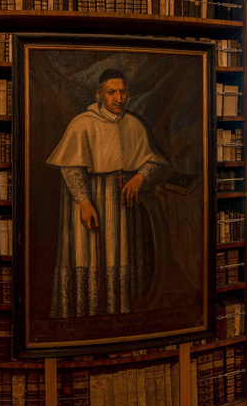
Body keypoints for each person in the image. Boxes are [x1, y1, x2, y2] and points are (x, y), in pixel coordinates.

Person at [47, 70, 169, 318]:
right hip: (91, 198)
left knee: (120, 255)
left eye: (123, 91)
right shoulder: (82, 123)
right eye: (112, 92)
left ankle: (119, 314)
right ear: (100, 94)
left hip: (124, 204)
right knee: (88, 254)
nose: (118, 98)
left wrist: (139, 176)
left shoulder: (134, 124)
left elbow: (155, 161)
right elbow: (70, 166)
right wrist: (83, 201)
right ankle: (87, 315)